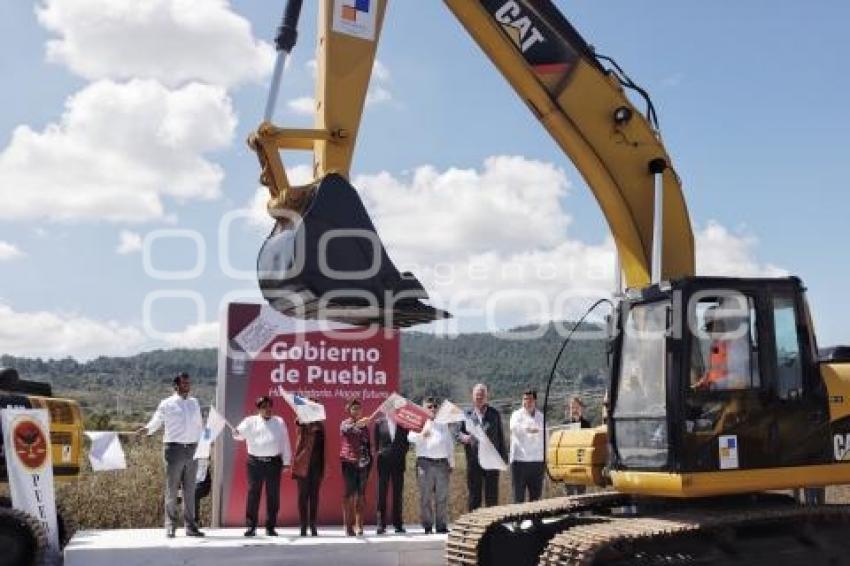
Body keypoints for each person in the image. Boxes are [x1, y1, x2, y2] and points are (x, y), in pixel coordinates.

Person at [136, 372, 205, 538]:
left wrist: (203, 446)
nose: (187, 386)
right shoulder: (166, 403)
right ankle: (170, 526)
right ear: (176, 386)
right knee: (172, 489)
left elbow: (199, 425)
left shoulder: (195, 403)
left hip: (193, 449)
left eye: (188, 383)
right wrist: (147, 429)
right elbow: (157, 420)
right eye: (184, 383)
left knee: (190, 491)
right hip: (173, 449)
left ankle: (191, 527)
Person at [233, 395, 292, 537]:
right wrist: (236, 433)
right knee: (253, 494)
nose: (267, 409)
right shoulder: (250, 421)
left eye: (269, 406)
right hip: (255, 463)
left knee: (273, 495)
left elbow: (285, 442)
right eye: (264, 407)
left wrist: (286, 461)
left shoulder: (279, 421)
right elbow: (238, 435)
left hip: (274, 463)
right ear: (258, 409)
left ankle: (270, 527)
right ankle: (251, 527)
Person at [456, 384, 507, 511]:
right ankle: (473, 525)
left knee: (492, 497)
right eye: (477, 394)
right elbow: (457, 433)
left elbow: (501, 437)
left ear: (486, 396)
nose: (479, 397)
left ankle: (493, 526)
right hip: (473, 461)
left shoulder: (494, 414)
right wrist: (463, 437)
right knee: (474, 496)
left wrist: (504, 459)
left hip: (492, 461)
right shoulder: (466, 414)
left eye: (482, 394)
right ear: (472, 396)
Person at [408, 397, 454, 534]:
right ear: (423, 409)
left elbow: (449, 445)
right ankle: (427, 526)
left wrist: (451, 463)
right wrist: (422, 434)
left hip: (442, 464)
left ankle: (441, 526)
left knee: (442, 497)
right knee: (425, 497)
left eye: (435, 406)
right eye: (429, 406)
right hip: (425, 464)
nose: (433, 409)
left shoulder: (443, 424)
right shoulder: (419, 422)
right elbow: (410, 438)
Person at [374, 410, 409, 534]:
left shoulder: (403, 424)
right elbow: (376, 444)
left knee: (397, 494)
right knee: (381, 493)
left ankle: (398, 524)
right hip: (383, 463)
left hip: (399, 463)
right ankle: (380, 524)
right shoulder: (379, 423)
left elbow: (406, 443)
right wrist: (382, 453)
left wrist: (400, 454)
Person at [340, 398, 372, 536]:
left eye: (359, 408)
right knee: (349, 494)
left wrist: (370, 461)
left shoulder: (365, 427)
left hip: (363, 464)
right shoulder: (345, 424)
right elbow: (348, 430)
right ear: (349, 410)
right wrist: (358, 424)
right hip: (349, 462)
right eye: (354, 408)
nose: (357, 411)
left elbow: (367, 444)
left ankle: (359, 525)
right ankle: (348, 526)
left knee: (360, 495)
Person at [292, 410, 325, 537]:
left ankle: (313, 524)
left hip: (316, 466)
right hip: (303, 465)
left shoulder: (321, 425)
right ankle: (303, 525)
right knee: (302, 496)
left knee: (314, 496)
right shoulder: (303, 423)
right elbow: (298, 421)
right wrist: (302, 416)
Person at [509, 390, 545, 503]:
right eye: (525, 399)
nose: (527, 402)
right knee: (518, 495)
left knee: (536, 496)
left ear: (535, 401)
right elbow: (514, 428)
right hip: (520, 461)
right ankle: (518, 521)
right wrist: (528, 429)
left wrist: (546, 457)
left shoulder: (541, 417)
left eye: (530, 399)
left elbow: (546, 437)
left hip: (537, 461)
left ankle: (536, 520)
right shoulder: (516, 415)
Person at [563, 395, 592, 496]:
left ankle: (581, 512)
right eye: (572, 407)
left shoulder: (586, 424)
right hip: (568, 462)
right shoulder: (565, 424)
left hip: (580, 461)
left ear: (581, 408)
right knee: (569, 493)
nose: (573, 410)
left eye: (576, 407)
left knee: (581, 492)